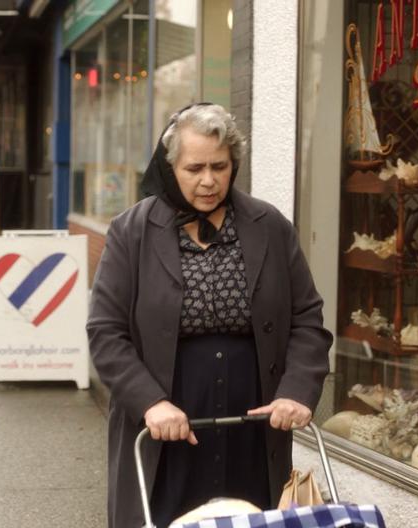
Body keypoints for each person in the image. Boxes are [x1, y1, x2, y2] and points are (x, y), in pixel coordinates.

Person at [87, 103, 332, 528]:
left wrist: (296, 391)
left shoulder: (268, 225)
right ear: (170, 168)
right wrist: (151, 403)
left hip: (252, 423)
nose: (208, 180)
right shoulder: (132, 231)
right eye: (194, 167)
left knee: (253, 516)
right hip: (169, 422)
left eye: (219, 166)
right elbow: (106, 332)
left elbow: (307, 318)